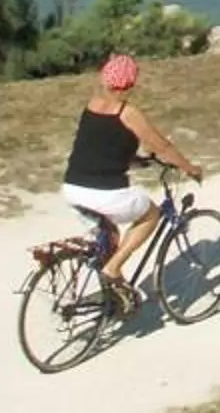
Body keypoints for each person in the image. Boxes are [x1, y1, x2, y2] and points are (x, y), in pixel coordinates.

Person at [59, 54, 203, 310]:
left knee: (111, 237)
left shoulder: (92, 105)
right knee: (151, 214)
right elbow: (163, 147)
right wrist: (190, 168)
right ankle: (113, 270)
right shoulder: (128, 113)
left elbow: (101, 147)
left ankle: (114, 297)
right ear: (130, 84)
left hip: (72, 189)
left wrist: (135, 160)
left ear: (105, 79)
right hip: (103, 194)